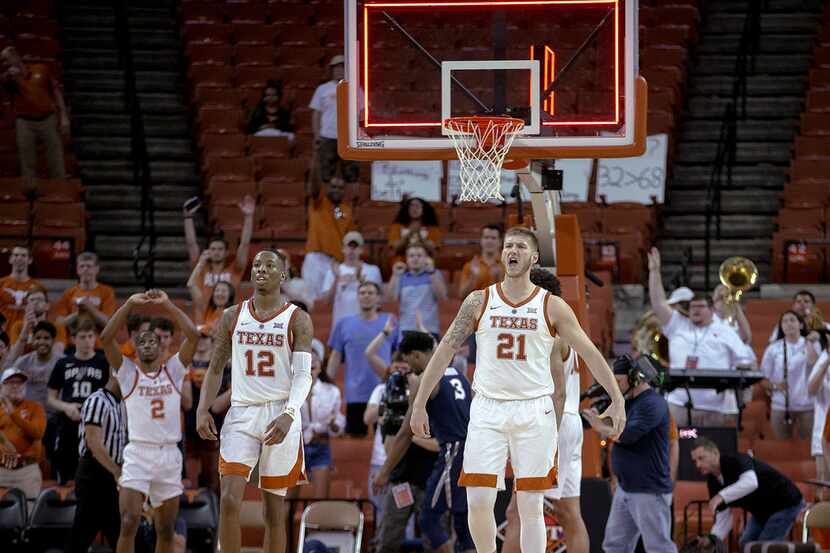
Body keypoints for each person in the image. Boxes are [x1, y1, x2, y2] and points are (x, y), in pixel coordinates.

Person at [410, 227, 626, 553]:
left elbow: (590, 353)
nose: (513, 250)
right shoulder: (479, 300)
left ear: (534, 257)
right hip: (487, 407)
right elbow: (444, 351)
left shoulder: (552, 307)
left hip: (534, 409)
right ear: (502, 254)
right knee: (479, 499)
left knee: (530, 505)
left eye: (521, 246)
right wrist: (419, 403)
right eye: (508, 245)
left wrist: (617, 396)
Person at [195, 250, 315, 553]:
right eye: (257, 265)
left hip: (280, 414)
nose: (261, 269)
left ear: (283, 276)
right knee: (229, 499)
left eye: (270, 265)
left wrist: (289, 413)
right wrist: (201, 408)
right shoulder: (231, 315)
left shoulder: (298, 319)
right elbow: (215, 367)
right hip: (242, 413)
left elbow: (303, 376)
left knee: (274, 512)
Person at [100, 289, 198, 553]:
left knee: (165, 529)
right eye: (140, 341)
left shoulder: (174, 371)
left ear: (161, 345)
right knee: (129, 521)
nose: (146, 344)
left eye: (151, 340)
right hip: (138, 453)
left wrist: (167, 305)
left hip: (169, 454)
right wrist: (129, 304)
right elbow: (106, 337)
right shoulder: (128, 373)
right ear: (135, 347)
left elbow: (193, 335)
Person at [373, 331, 475, 553]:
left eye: (408, 360)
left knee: (429, 518)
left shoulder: (427, 378)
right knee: (463, 522)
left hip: (453, 450)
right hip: (473, 450)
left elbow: (405, 433)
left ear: (417, 355)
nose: (409, 367)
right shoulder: (458, 374)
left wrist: (383, 472)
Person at [647, 248, 756, 426]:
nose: (695, 310)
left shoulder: (725, 330)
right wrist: (654, 272)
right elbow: (658, 303)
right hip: (679, 404)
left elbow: (744, 358)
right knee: (678, 448)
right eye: (692, 307)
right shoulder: (678, 325)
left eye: (700, 306)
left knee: (713, 449)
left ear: (711, 310)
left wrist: (743, 368)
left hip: (716, 408)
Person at [582, 355, 676, 553]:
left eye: (618, 381)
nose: (615, 386)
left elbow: (628, 435)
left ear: (634, 378)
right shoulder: (628, 401)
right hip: (626, 488)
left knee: (658, 547)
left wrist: (601, 426)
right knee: (615, 546)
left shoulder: (652, 403)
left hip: (649, 490)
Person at [691, 436, 804, 547]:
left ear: (715, 453)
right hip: (762, 511)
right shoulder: (712, 481)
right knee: (746, 543)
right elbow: (723, 516)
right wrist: (712, 540)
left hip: (785, 503)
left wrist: (721, 496)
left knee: (765, 546)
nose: (698, 465)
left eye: (701, 458)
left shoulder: (736, 459)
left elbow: (751, 482)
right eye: (695, 461)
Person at [328, 281, 395, 436]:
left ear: (378, 298)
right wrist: (328, 383)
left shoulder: (390, 321)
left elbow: (398, 355)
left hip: (384, 391)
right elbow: (335, 356)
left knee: (385, 439)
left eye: (370, 293)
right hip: (355, 393)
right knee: (355, 440)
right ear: (357, 297)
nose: (366, 296)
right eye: (362, 293)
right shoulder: (344, 324)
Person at [47, 319, 110, 483]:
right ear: (73, 339)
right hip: (69, 421)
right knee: (66, 471)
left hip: (95, 422)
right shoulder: (63, 363)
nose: (88, 341)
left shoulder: (103, 362)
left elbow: (111, 396)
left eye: (91, 336)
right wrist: (66, 406)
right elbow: (50, 398)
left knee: (94, 470)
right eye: (82, 337)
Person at [70, 374, 126, 553]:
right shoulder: (97, 401)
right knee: (82, 533)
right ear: (116, 374)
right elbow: (93, 443)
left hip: (111, 473)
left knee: (120, 532)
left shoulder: (121, 404)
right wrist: (116, 471)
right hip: (93, 473)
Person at [0, 46, 69, 183]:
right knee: (27, 160)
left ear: (15, 57)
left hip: (48, 118)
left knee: (55, 157)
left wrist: (64, 117)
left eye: (6, 60)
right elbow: (4, 82)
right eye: (2, 62)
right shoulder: (8, 78)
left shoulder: (41, 69)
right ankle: (31, 191)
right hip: (24, 122)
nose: (4, 64)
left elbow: (56, 92)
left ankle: (61, 188)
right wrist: (10, 77)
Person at [760, 310, 819, 440]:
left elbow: (814, 363)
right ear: (781, 327)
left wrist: (810, 341)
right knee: (782, 448)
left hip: (807, 405)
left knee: (809, 448)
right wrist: (776, 386)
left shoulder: (811, 344)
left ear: (801, 325)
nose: (788, 324)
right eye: (784, 321)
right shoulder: (773, 348)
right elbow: (762, 379)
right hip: (781, 405)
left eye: (792, 320)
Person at [183, 195, 255, 298]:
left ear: (226, 253)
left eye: (220, 249)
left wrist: (248, 217)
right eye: (213, 249)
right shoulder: (201, 269)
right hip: (205, 314)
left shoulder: (235, 269)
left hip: (229, 314)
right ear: (208, 252)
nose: (216, 252)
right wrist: (188, 217)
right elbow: (191, 244)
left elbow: (244, 244)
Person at [299, 339, 344, 498]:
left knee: (320, 500)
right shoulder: (289, 389)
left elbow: (337, 422)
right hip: (296, 449)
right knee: (287, 503)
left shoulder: (331, 391)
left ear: (319, 366)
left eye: (314, 362)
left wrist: (334, 425)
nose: (310, 365)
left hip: (321, 446)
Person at [302, 173, 356, 301]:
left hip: (335, 262)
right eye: (334, 186)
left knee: (332, 300)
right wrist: (315, 159)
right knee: (311, 300)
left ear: (344, 191)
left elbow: (350, 239)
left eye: (340, 187)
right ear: (327, 188)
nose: (337, 190)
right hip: (315, 258)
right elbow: (314, 186)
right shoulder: (319, 202)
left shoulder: (346, 210)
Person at [310, 55, 359, 185]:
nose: (339, 70)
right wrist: (316, 135)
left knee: (351, 175)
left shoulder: (355, 88)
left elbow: (362, 112)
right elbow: (316, 113)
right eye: (336, 67)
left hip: (349, 138)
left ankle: (350, 203)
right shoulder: (322, 89)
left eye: (342, 67)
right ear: (331, 70)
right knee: (325, 175)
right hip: (327, 136)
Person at [320, 231, 383, 330]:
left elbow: (379, 301)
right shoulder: (333, 271)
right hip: (340, 326)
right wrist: (337, 278)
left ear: (361, 249)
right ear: (343, 249)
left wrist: (359, 279)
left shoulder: (373, 270)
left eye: (355, 247)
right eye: (349, 246)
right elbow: (327, 301)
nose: (351, 250)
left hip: (366, 326)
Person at [0, 367, 46, 502]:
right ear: (1, 386)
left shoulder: (35, 408)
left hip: (27, 470)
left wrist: (14, 415)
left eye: (20, 382)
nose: (16, 386)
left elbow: (38, 433)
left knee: (29, 515)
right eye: (11, 382)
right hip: (1, 470)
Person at [386, 243, 448, 337]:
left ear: (426, 258)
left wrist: (432, 273)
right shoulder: (401, 277)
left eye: (419, 255)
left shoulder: (434, 274)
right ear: (406, 259)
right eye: (411, 256)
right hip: (406, 328)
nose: (415, 258)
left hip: (429, 329)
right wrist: (394, 275)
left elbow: (442, 297)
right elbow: (390, 298)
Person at [54, 251, 117, 333]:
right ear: (77, 269)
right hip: (73, 341)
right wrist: (78, 314)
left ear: (97, 269)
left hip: (99, 342)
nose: (85, 269)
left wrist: (90, 308)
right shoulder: (68, 293)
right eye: (82, 266)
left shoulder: (107, 292)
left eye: (89, 266)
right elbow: (59, 323)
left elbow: (109, 323)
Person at [6, 287, 66, 358]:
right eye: (31, 300)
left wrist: (37, 327)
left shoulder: (57, 326)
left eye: (39, 299)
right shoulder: (18, 326)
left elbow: (57, 354)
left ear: (47, 306)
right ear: (26, 306)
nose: (35, 302)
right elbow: (13, 356)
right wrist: (25, 328)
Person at [0, 245, 43, 331]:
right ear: (10, 259)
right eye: (16, 255)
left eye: (23, 255)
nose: (19, 258)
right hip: (3, 336)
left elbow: (42, 314)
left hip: (27, 335)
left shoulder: (38, 286)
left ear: (30, 260)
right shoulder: (1, 284)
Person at [458, 224, 504, 298]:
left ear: (500, 242)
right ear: (481, 241)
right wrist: (472, 278)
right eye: (486, 237)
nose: (489, 241)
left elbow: (513, 298)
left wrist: (498, 278)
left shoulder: (508, 266)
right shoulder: (470, 266)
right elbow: (462, 296)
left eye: (493, 238)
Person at [808, 343, 830, 498]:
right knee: (823, 481)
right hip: (825, 425)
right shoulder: (824, 358)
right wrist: (827, 361)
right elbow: (812, 389)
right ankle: (820, 521)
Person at [187, 259, 235, 328]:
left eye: (224, 291)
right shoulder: (208, 309)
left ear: (230, 295)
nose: (219, 293)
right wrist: (201, 263)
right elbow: (191, 284)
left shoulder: (233, 314)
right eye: (217, 290)